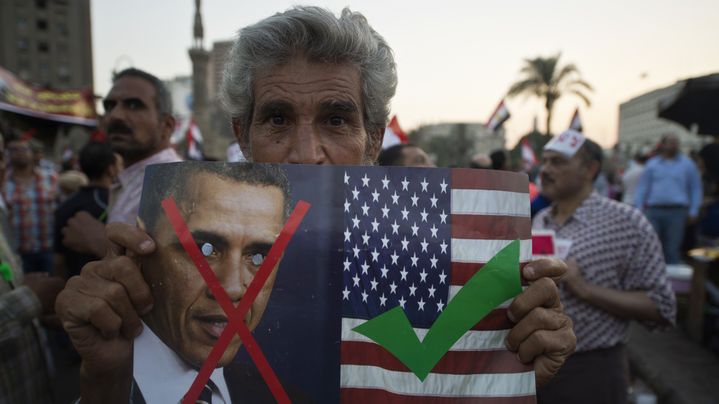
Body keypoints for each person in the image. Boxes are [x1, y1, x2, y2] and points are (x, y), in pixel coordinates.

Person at [56, 7, 575, 402]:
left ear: (373, 139)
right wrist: (105, 377)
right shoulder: (176, 288)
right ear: (244, 134)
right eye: (279, 119)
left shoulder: (432, 257)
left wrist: (506, 370)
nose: (307, 154)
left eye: (336, 120)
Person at [533, 130, 676, 404]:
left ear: (591, 168)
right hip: (535, 365)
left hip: (591, 369)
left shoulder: (626, 222)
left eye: (558, 162)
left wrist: (584, 289)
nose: (546, 170)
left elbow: (662, 307)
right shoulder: (540, 220)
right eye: (545, 160)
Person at [132, 163, 291, 403]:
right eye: (204, 249)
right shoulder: (86, 379)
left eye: (259, 257)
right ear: (140, 248)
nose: (233, 289)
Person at [60, 68, 182, 259]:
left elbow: (180, 274)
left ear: (166, 126)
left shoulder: (174, 183)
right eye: (109, 106)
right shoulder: (132, 179)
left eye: (133, 105)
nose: (115, 115)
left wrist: (100, 240)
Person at [0, 132, 66, 403]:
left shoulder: (50, 179)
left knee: (52, 308)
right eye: (10, 151)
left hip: (42, 254)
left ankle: (63, 344)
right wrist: (29, 298)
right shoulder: (7, 186)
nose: (11, 158)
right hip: (23, 252)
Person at [54, 142, 121, 280]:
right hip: (108, 283)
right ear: (111, 169)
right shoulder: (118, 204)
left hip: (75, 282)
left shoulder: (65, 205)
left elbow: (58, 259)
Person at [634, 133, 702, 264]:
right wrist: (639, 208)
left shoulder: (687, 165)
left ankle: (672, 280)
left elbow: (695, 188)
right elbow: (642, 187)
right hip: (654, 211)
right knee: (651, 248)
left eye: (676, 141)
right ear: (663, 144)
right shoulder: (652, 164)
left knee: (672, 248)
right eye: (670, 142)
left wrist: (694, 210)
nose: (674, 144)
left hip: (677, 212)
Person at [3, 137, 58, 273]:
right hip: (17, 254)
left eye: (24, 149)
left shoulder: (50, 178)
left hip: (48, 250)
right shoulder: (3, 183)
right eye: (14, 150)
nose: (19, 152)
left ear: (31, 153)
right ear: (7, 155)